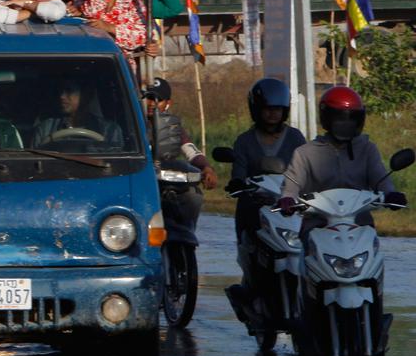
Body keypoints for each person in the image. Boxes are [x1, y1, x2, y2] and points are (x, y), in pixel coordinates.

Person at [226, 78, 306, 298]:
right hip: (254, 209)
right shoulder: (244, 141)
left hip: (288, 208)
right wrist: (238, 183)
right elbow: (238, 172)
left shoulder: (296, 138)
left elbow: (305, 169)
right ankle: (250, 289)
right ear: (257, 110)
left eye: (278, 110)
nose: (273, 114)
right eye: (268, 109)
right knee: (251, 247)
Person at [279, 86, 405, 216]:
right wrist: (287, 199)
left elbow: (380, 180)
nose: (346, 124)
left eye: (352, 119)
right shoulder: (305, 153)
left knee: (371, 236)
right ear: (327, 119)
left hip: (359, 225)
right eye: (340, 119)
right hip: (318, 226)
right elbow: (291, 186)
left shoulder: (367, 149)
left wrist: (391, 194)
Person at [143, 78, 218, 189]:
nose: (152, 103)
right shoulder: (130, 123)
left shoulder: (171, 126)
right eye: (148, 98)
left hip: (163, 179)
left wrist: (206, 167)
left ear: (168, 103)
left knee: (192, 197)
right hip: (136, 176)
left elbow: (190, 150)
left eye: (159, 99)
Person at [32, 79, 124, 148]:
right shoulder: (45, 129)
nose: (62, 96)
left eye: (69, 91)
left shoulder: (110, 131)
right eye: (60, 91)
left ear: (86, 95)